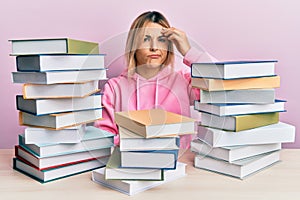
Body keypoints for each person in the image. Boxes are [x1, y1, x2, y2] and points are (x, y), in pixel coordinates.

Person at [95, 11, 217, 148]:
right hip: (132, 163)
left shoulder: (183, 80)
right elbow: (104, 137)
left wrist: (188, 51)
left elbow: (222, 87)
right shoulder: (114, 87)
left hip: (179, 163)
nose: (154, 47)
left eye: (161, 40)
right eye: (146, 39)